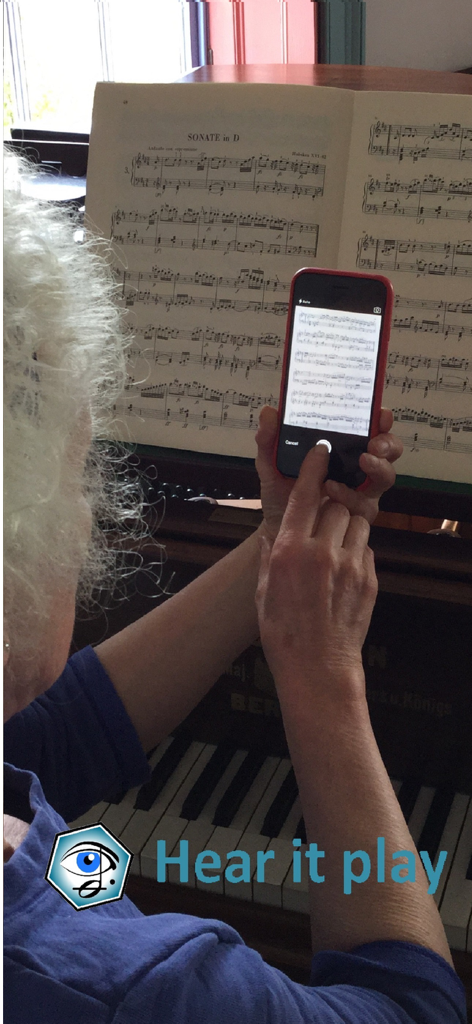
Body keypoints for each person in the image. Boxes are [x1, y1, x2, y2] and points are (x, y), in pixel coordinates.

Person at [3, 154, 466, 1024]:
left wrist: (273, 537)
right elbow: (415, 1011)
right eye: (78, 477)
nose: (88, 512)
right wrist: (321, 670)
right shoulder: (116, 988)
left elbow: (42, 741)